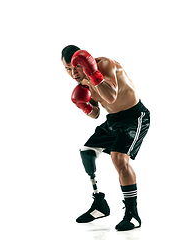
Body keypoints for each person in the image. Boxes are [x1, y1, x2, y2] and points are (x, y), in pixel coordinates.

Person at [61, 45, 150, 231]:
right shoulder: (83, 82)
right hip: (113, 121)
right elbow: (96, 114)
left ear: (83, 61)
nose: (72, 73)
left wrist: (93, 73)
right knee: (87, 152)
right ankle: (100, 204)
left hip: (134, 116)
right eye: (67, 69)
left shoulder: (104, 64)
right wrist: (84, 106)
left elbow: (111, 96)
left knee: (118, 158)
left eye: (75, 67)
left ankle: (132, 215)